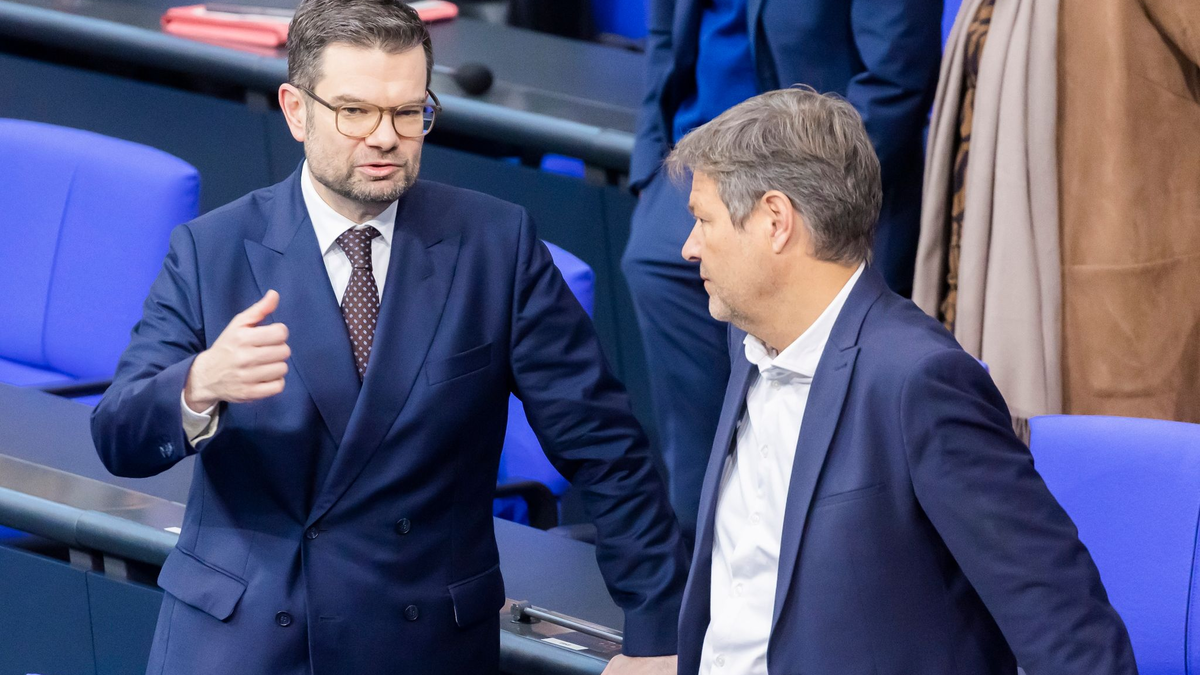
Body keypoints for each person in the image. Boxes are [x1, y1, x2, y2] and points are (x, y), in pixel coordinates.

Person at [90, 0, 686, 673]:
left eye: (408, 112)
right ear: (295, 111)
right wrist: (198, 386)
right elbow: (118, 435)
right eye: (355, 111)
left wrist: (658, 634)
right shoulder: (213, 249)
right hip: (246, 637)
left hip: (419, 639)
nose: (385, 136)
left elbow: (605, 446)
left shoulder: (496, 245)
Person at [669, 88, 1137, 674]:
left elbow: (1065, 625)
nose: (688, 248)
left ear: (775, 221)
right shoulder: (747, 343)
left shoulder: (919, 382)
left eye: (703, 221)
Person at [621, 0, 942, 547]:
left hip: (813, 200)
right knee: (698, 463)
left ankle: (809, 581)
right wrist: (652, 165)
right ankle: (705, 572)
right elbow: (666, 38)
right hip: (689, 174)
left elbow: (894, 81)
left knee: (821, 451)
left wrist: (803, 209)